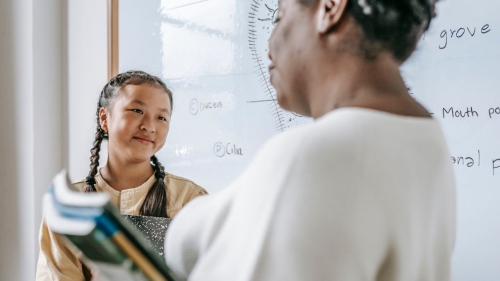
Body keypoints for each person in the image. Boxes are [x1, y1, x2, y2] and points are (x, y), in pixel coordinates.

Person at [165, 0, 456, 280]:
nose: (270, 45)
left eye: (279, 17)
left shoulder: (316, 155)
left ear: (330, 8)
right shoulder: (426, 144)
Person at [36, 70, 208, 280]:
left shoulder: (191, 200)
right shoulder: (71, 206)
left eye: (161, 117)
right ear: (104, 118)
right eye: (137, 110)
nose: (149, 126)